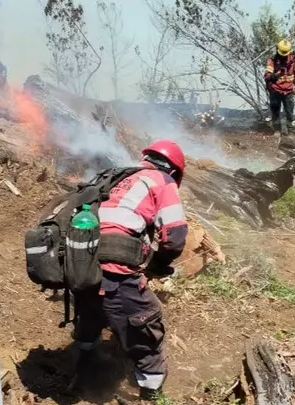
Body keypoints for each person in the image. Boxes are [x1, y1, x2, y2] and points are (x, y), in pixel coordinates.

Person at [72, 140, 189, 399]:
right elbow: (174, 237)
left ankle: (83, 363)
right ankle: (151, 393)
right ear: (174, 171)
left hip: (80, 261)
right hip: (114, 266)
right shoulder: (163, 180)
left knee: (92, 309)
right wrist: (159, 265)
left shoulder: (119, 177)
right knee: (145, 322)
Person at [264, 39, 295, 135]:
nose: (284, 56)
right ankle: (277, 130)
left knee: (289, 112)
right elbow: (267, 76)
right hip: (276, 90)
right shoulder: (273, 59)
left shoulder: (293, 59)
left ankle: (291, 130)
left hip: (288, 90)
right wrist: (275, 75)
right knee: (275, 111)